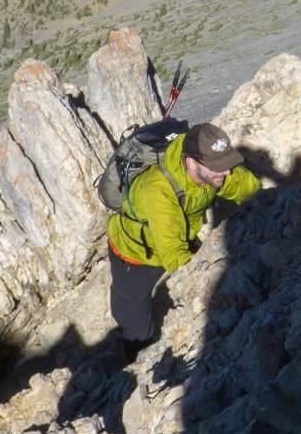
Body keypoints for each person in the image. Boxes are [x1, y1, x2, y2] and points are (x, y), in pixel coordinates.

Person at [104, 121, 262, 345]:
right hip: (136, 253)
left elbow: (249, 189)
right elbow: (174, 254)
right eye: (218, 166)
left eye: (227, 162)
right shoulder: (157, 190)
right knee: (135, 325)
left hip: (182, 233)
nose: (226, 171)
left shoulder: (211, 169)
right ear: (190, 163)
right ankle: (134, 356)